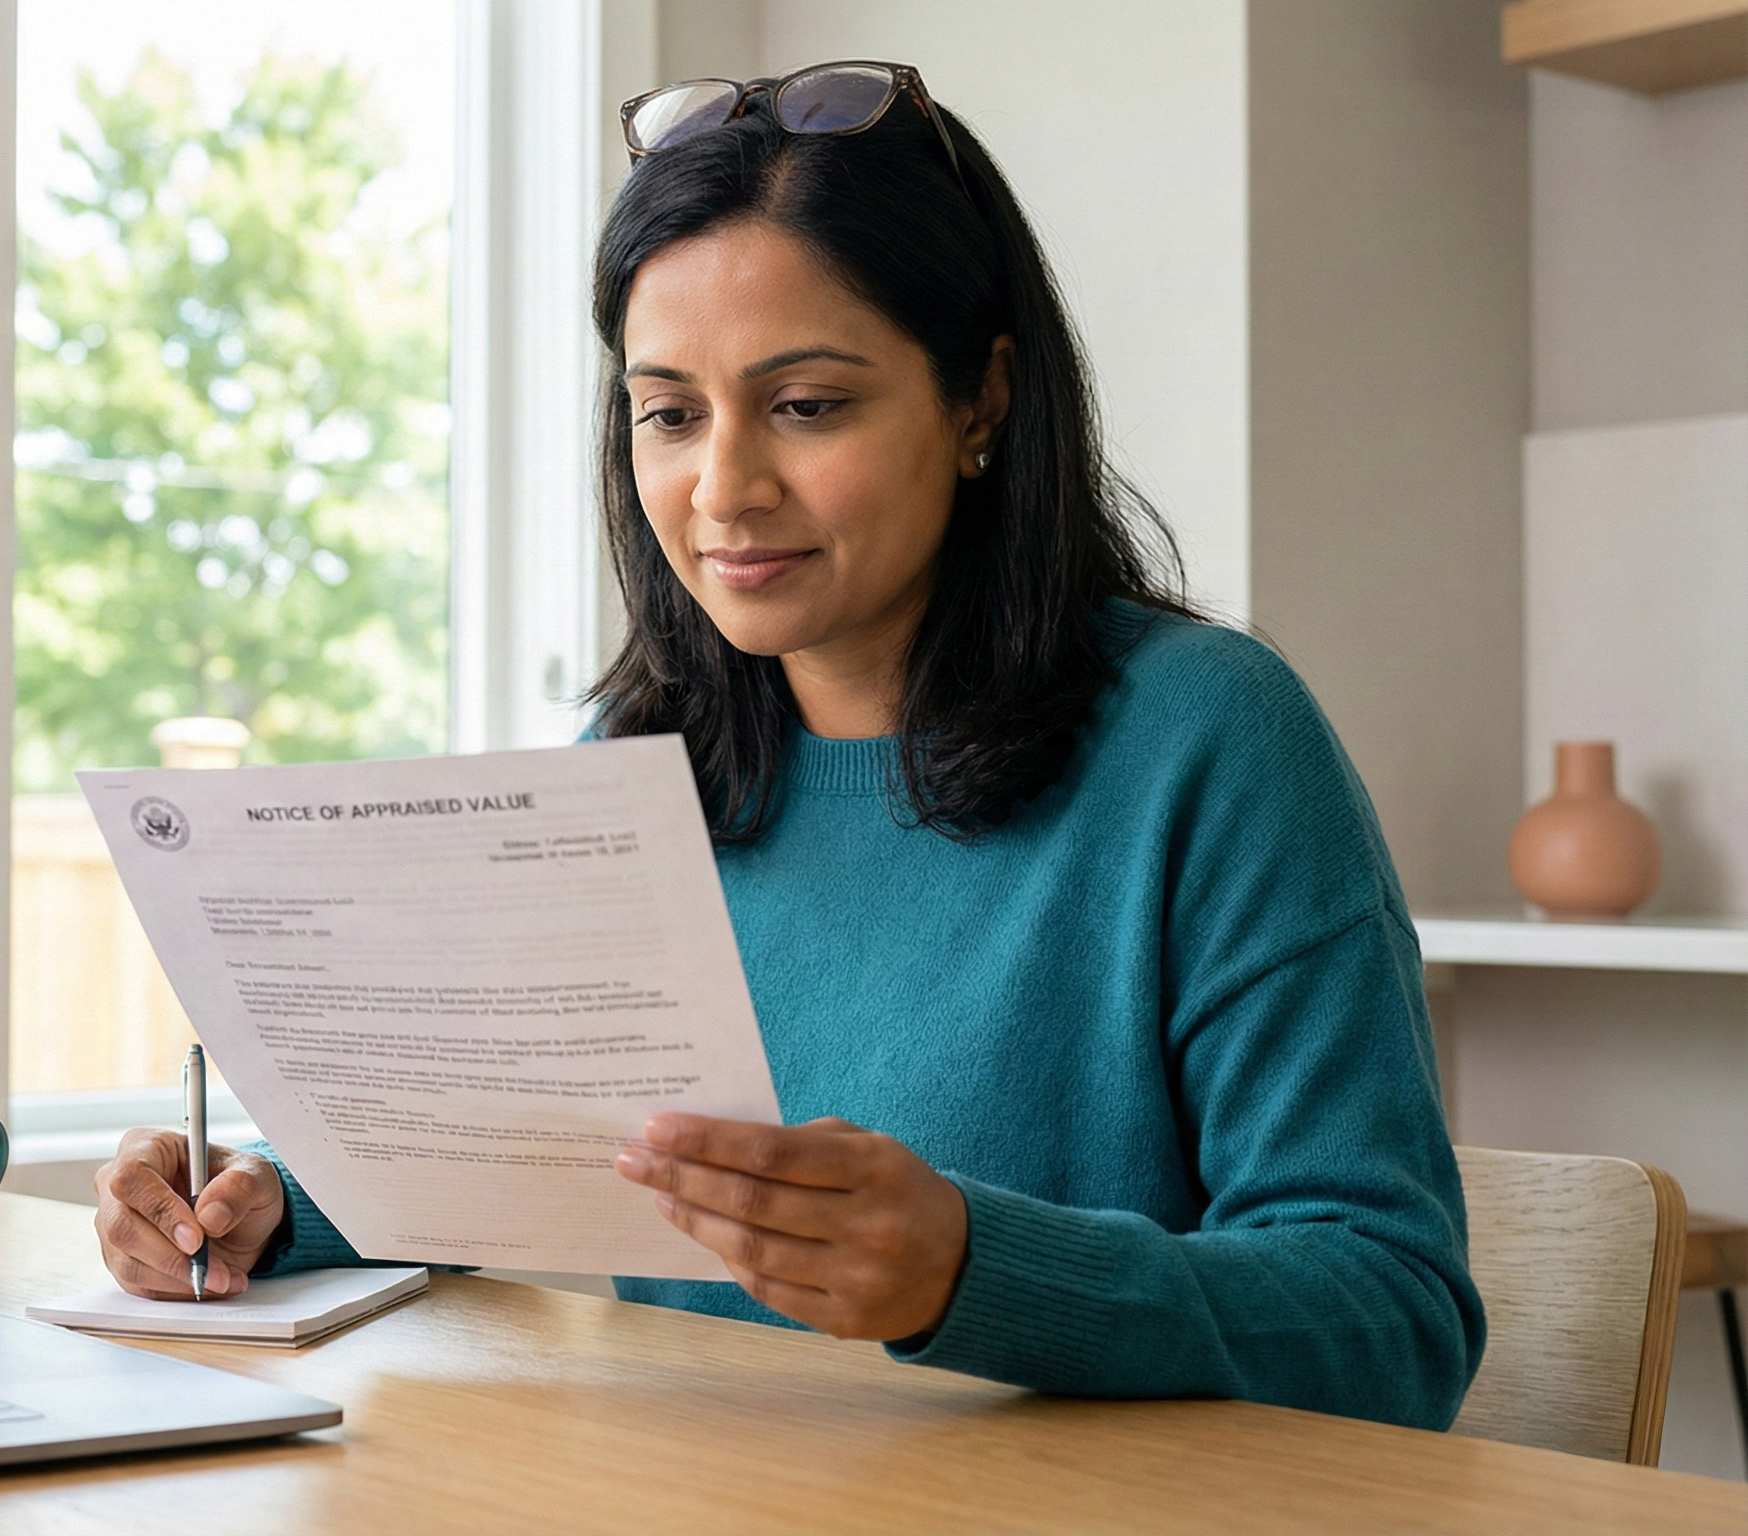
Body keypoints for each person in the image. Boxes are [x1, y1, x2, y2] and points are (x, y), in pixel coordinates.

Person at [91, 61, 1484, 1431]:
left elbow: (1395, 1315)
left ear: (982, 404)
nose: (724, 489)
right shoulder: (634, 762)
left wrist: (972, 1273)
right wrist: (266, 1204)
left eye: (808, 405)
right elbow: (512, 1151)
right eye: (669, 412)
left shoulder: (1209, 741)